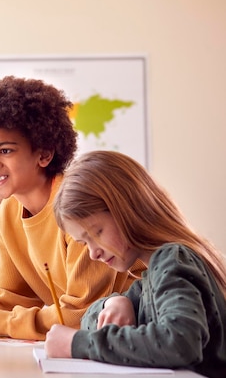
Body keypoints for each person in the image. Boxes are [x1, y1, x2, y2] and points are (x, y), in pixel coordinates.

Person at [0, 77, 145, 340]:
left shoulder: (78, 206)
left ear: (44, 154)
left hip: (141, 327)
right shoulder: (7, 213)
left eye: (5, 150)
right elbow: (5, 300)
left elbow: (81, 314)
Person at [44, 150, 226, 377]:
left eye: (96, 232)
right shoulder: (150, 278)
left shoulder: (171, 260)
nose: (93, 253)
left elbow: (180, 342)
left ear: (127, 209)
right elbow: (87, 318)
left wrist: (77, 344)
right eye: (84, 243)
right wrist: (114, 303)